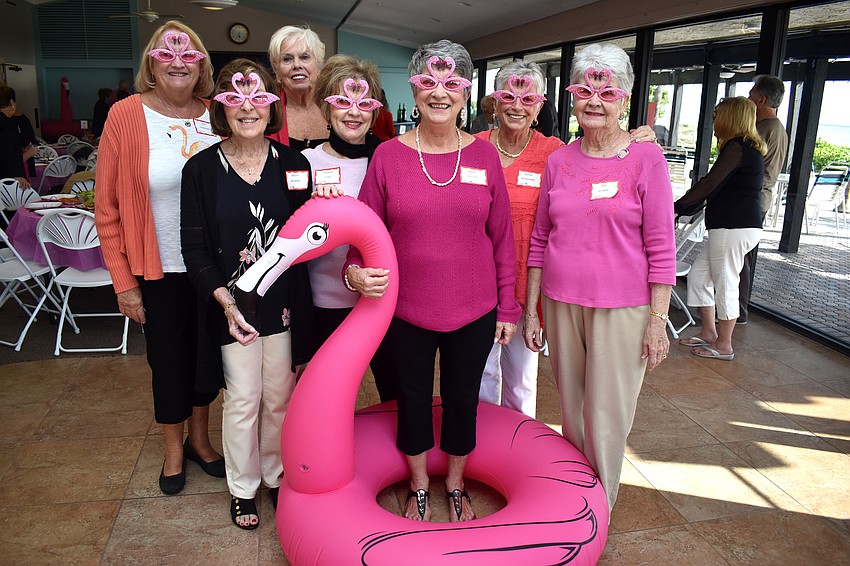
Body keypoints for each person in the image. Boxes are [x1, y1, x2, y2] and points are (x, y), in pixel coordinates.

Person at [345, 40, 520, 523]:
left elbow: (502, 239)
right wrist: (354, 270)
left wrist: (508, 309)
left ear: (466, 93)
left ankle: (457, 482)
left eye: (451, 84)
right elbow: (364, 229)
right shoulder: (388, 157)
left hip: (475, 308)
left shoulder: (485, 158)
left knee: (464, 400)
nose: (439, 93)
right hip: (404, 310)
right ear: (414, 89)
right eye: (428, 83)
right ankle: (420, 483)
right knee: (414, 400)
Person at [523, 43, 675, 512]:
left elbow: (661, 247)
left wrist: (657, 321)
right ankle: (577, 498)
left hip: (623, 308)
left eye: (606, 91)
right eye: (584, 89)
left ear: (624, 99)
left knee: (607, 416)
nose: (594, 100)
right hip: (561, 301)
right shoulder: (559, 160)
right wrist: (531, 309)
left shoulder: (646, 159)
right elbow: (540, 239)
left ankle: (599, 509)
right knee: (572, 412)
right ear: (572, 95)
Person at [181, 59, 316, 530]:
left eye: (257, 98)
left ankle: (275, 477)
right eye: (235, 99)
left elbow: (309, 235)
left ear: (271, 105)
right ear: (221, 108)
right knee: (243, 399)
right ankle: (243, 489)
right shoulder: (200, 169)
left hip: (283, 303)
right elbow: (194, 246)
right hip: (231, 305)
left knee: (279, 397)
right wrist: (226, 302)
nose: (247, 108)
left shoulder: (295, 165)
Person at [95, 21, 224, 496]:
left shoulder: (219, 114)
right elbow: (105, 208)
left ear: (201, 65)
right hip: (159, 266)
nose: (176, 62)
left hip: (213, 268)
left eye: (188, 54)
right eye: (166, 53)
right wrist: (123, 282)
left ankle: (201, 442)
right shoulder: (125, 116)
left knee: (208, 360)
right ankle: (174, 450)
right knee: (168, 361)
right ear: (151, 61)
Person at [302, 54, 395, 401]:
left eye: (363, 103)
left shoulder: (390, 158)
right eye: (342, 102)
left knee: (394, 389)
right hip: (326, 301)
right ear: (326, 109)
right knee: (332, 394)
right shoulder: (307, 163)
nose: (354, 113)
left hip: (384, 300)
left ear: (374, 111)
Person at [474, 62, 564, 417]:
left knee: (522, 382)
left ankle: (515, 456)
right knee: (481, 376)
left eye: (527, 98)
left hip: (529, 289)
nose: (517, 105)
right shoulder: (472, 147)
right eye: (508, 96)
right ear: (494, 103)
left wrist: (634, 141)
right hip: (477, 286)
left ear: (539, 107)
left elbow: (599, 161)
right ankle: (478, 455)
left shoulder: (555, 153)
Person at [675, 96, 766, 360]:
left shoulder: (737, 147)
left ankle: (724, 344)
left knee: (726, 282)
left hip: (733, 226)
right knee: (699, 277)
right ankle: (709, 333)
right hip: (734, 226)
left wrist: (677, 207)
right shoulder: (746, 147)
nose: (714, 121)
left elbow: (709, 184)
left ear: (729, 118)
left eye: (717, 116)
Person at [738, 75, 788, 324]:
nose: (748, 98)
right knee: (739, 259)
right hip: (757, 200)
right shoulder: (775, 129)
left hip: (753, 202)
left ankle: (737, 312)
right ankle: (731, 311)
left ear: (761, 99)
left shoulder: (767, 129)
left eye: (751, 94)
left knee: (740, 260)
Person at [267, 25, 329, 151]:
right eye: (287, 59)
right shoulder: (267, 111)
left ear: (319, 63)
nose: (297, 65)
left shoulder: (337, 107)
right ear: (276, 69)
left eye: (304, 57)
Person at [0, 86, 37, 188]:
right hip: (7, 180)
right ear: (11, 102)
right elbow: (5, 154)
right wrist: (16, 175)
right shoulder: (8, 125)